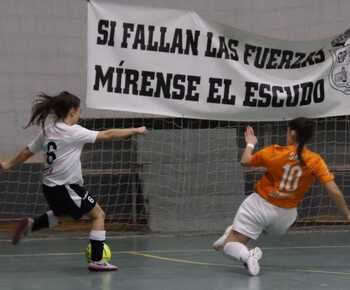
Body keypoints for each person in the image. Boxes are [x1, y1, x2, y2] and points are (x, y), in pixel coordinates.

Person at [0, 91, 147, 272]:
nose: (79, 115)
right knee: (98, 215)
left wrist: (8, 164)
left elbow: (27, 151)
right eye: (79, 111)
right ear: (72, 111)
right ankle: (98, 260)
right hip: (67, 187)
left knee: (62, 214)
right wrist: (135, 130)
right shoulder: (74, 132)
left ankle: (31, 225)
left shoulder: (49, 130)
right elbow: (108, 134)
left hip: (49, 187)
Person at [212, 117, 350, 276]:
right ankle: (235, 232)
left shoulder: (274, 152)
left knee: (229, 246)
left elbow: (244, 161)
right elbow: (334, 190)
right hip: (285, 217)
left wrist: (250, 143)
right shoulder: (315, 161)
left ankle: (246, 254)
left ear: (292, 133)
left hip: (259, 206)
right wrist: (346, 214)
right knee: (261, 227)